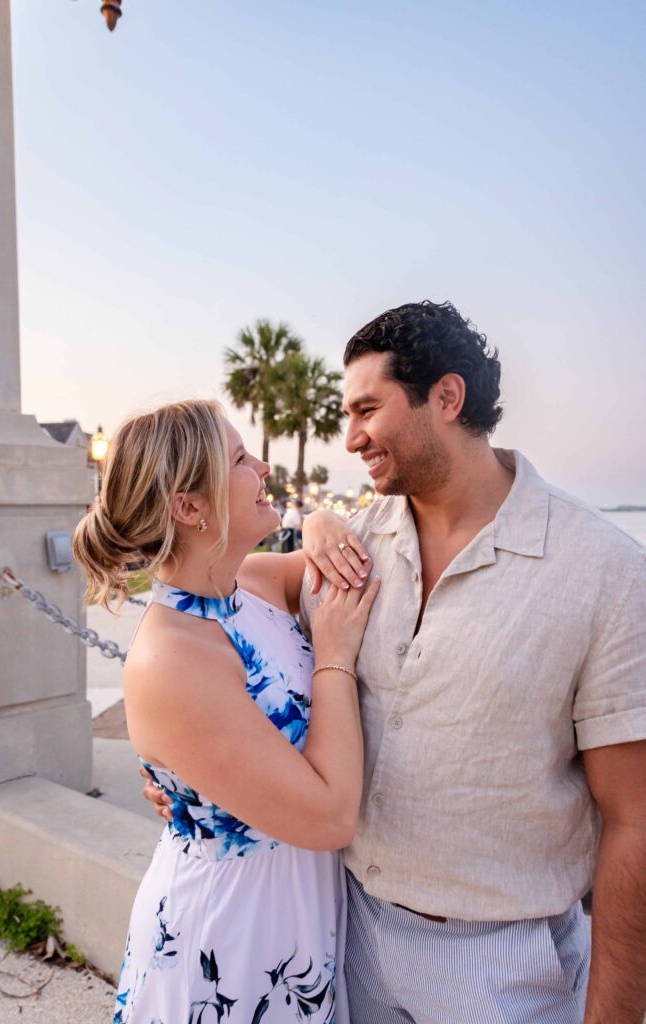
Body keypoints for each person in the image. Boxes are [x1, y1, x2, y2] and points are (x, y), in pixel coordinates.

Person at [143, 302, 646, 1022]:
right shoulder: (346, 547)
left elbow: (633, 818)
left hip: (501, 972)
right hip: (339, 937)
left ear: (446, 397)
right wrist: (180, 772)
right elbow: (213, 635)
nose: (348, 438)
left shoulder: (604, 572)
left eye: (367, 410)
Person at [73, 399, 380, 1024]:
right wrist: (335, 656)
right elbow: (328, 819)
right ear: (190, 507)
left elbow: (317, 566)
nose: (263, 466)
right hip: (233, 938)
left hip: (300, 915)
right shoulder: (172, 658)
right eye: (240, 459)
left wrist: (321, 520)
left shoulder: (257, 584)